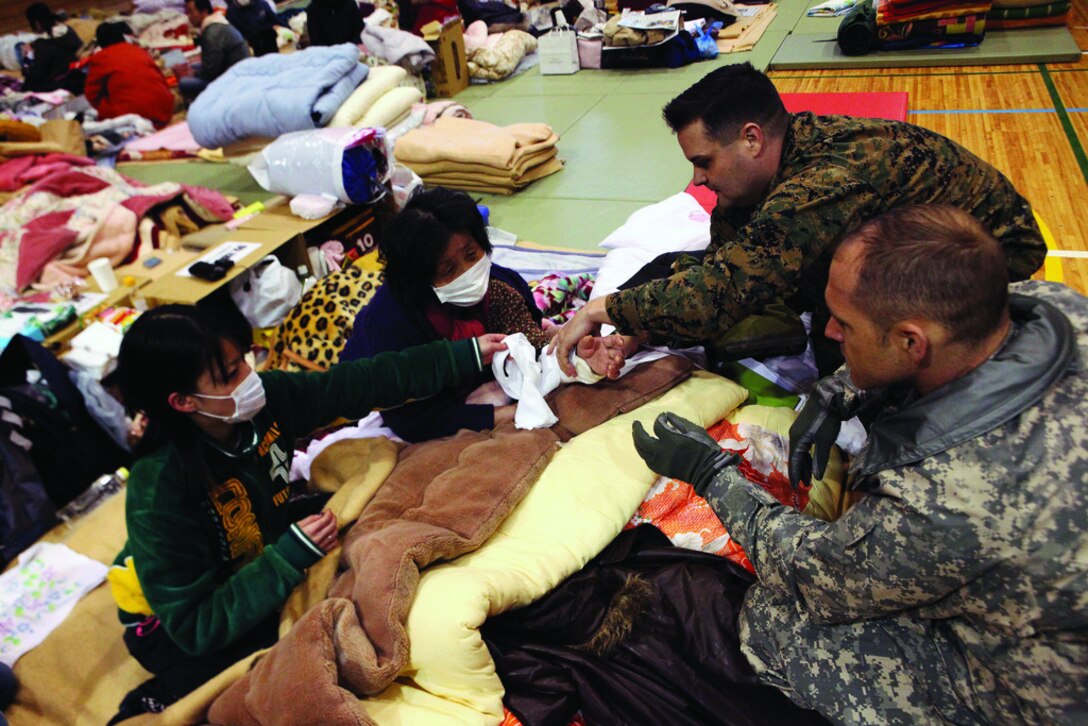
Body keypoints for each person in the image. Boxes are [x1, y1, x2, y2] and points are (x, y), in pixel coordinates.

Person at [630, 205, 1088, 723]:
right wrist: (839, 390)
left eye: (846, 324)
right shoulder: (1057, 308)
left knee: (776, 620)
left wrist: (712, 473)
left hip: (1048, 694)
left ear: (911, 342)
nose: (828, 333)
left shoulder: (947, 501)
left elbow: (815, 577)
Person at [105, 304, 506, 721]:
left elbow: (356, 384)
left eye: (244, 360)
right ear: (183, 401)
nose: (249, 377)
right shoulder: (160, 492)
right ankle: (151, 700)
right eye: (229, 375)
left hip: (262, 550)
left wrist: (462, 356)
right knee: (276, 671)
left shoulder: (263, 403)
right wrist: (287, 559)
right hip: (178, 625)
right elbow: (195, 625)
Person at [551, 63, 1048, 378]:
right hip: (911, 235)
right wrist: (637, 326)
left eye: (703, 162)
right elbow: (724, 262)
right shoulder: (775, 158)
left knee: (854, 357)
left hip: (991, 263)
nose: (698, 180)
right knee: (676, 268)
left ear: (751, 139)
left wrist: (602, 310)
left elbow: (720, 294)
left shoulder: (823, 184)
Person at [340, 187, 626, 442]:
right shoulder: (394, 327)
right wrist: (508, 414)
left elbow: (537, 338)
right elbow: (411, 420)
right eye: (448, 270)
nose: (468, 273)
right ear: (422, 280)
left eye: (471, 254)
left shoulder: (503, 285)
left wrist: (574, 350)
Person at [85, 22, 175, 129]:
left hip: (134, 113)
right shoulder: (137, 50)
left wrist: (105, 108)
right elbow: (159, 76)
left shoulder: (100, 58)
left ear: (101, 43)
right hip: (165, 108)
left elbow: (91, 93)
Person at [180, 0, 250, 100]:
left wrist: (192, 73)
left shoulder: (212, 33)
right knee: (193, 66)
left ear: (204, 12)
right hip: (229, 71)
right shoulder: (216, 25)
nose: (189, 17)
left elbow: (210, 72)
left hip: (233, 81)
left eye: (191, 12)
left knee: (184, 83)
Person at [21, 3, 82, 93]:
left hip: (58, 83)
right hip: (77, 77)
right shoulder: (68, 31)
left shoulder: (43, 44)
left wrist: (27, 58)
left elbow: (36, 74)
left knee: (28, 84)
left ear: (37, 23)